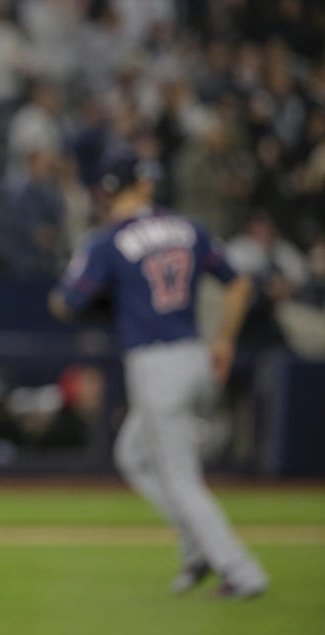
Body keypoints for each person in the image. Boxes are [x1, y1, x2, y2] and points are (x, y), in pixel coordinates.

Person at [48, 147, 267, 599]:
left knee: (181, 478)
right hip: (196, 353)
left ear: (105, 192)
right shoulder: (188, 226)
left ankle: (242, 572)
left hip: (155, 364)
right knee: (133, 454)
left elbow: (65, 304)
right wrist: (224, 338)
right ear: (144, 184)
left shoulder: (106, 240)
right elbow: (240, 282)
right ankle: (196, 549)